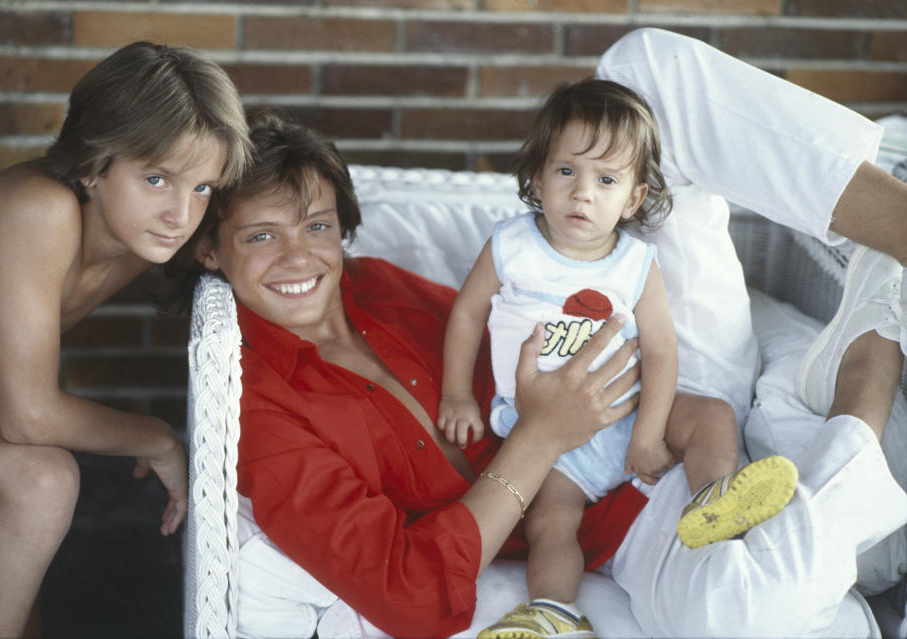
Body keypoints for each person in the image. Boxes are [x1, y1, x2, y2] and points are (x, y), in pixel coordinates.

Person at [190, 28, 907, 639]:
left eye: (316, 226)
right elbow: (407, 590)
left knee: (640, 70)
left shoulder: (375, 284)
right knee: (748, 611)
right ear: (210, 251)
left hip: (668, 374)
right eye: (260, 235)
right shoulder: (262, 412)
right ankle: (870, 370)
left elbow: (523, 317)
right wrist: (545, 432)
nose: (298, 257)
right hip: (623, 502)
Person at [437, 78, 797, 637]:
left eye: (606, 180)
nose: (583, 193)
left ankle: (713, 501)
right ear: (536, 175)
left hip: (628, 409)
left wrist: (648, 435)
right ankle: (554, 613)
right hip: (549, 434)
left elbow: (660, 350)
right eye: (566, 172)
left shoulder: (634, 263)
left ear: (632, 198)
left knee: (713, 416)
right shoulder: (512, 246)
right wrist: (457, 394)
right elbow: (466, 315)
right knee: (552, 523)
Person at [0, 41, 250, 637]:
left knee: (10, 604)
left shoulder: (145, 231)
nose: (180, 214)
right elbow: (29, 418)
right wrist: (158, 438)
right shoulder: (42, 210)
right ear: (91, 164)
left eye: (202, 188)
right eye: (157, 178)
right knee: (41, 481)